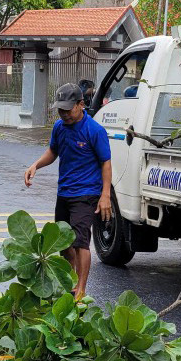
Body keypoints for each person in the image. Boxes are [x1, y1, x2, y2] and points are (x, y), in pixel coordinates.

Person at [23, 82, 112, 299]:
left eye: (67, 109)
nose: (63, 114)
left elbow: (106, 163)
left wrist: (105, 196)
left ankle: (81, 289)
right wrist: (36, 165)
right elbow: (53, 151)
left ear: (81, 105)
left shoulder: (95, 130)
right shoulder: (59, 127)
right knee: (64, 242)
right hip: (64, 192)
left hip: (86, 193)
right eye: (60, 110)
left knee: (80, 241)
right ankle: (70, 282)